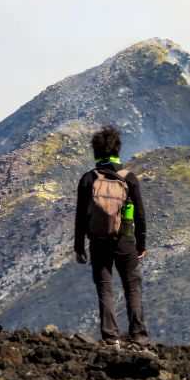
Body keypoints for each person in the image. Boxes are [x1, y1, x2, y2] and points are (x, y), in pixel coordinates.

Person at [74, 125, 149, 346]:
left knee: (105, 287)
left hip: (98, 241)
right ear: (118, 149)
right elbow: (141, 215)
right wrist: (141, 243)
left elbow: (80, 217)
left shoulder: (88, 179)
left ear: (96, 152)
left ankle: (111, 338)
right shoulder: (129, 178)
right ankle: (139, 339)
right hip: (125, 240)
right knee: (132, 287)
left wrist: (79, 247)